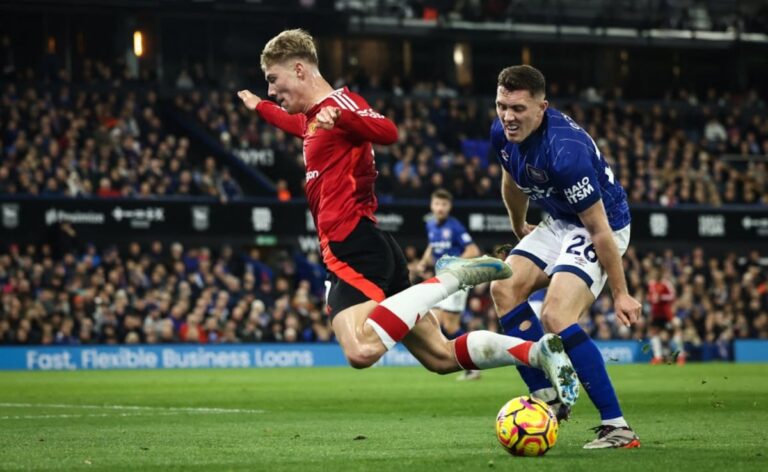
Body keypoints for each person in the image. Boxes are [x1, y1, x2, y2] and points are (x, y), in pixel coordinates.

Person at [236, 29, 578, 407]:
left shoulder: (340, 104)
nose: (270, 90)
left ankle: (452, 278)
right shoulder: (315, 119)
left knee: (360, 350)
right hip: (367, 245)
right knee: (440, 357)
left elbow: (388, 131)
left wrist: (345, 119)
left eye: (273, 79)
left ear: (299, 70)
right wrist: (258, 107)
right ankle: (536, 352)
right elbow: (293, 124)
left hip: (354, 244)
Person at [488, 65, 641, 449]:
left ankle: (618, 427)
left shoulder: (565, 153)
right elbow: (512, 181)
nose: (508, 116)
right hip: (558, 220)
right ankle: (549, 397)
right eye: (502, 105)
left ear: (543, 107)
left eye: (518, 108)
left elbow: (601, 230)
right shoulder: (503, 133)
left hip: (600, 224)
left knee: (556, 316)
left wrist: (620, 292)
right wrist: (519, 224)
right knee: (503, 287)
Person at [418, 188, 482, 380]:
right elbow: (432, 246)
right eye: (437, 204)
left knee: (450, 325)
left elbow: (473, 250)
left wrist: (453, 264)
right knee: (435, 319)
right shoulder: (430, 225)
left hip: (456, 279)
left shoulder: (454, 226)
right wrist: (424, 260)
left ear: (449, 207)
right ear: (432, 205)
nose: (440, 208)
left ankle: (473, 363)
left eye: (444, 204)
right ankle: (449, 357)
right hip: (441, 279)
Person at [647, 267, 683, 365]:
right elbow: (650, 297)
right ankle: (658, 357)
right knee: (654, 334)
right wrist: (651, 299)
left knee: (675, 333)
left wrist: (661, 297)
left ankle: (681, 357)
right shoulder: (651, 284)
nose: (655, 275)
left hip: (667, 314)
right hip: (656, 314)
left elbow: (672, 295)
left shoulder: (666, 284)